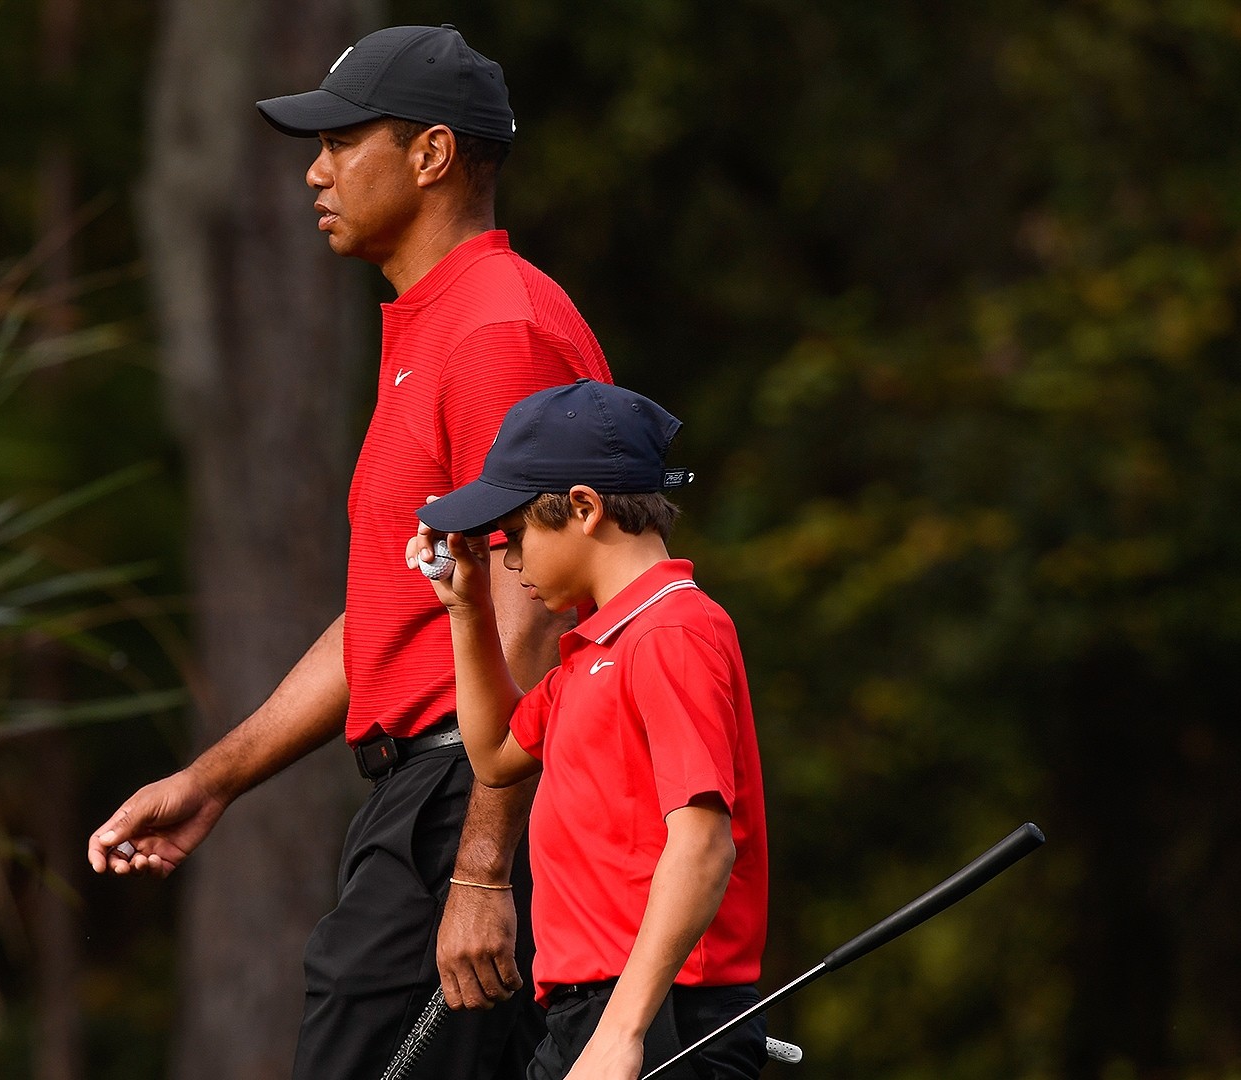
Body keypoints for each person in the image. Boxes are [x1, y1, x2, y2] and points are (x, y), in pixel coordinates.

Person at [86, 24, 613, 1080]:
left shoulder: (498, 332)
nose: (315, 170)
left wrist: (478, 875)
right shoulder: (435, 329)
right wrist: (214, 779)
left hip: (471, 799)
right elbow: (398, 614)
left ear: (431, 156)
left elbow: (537, 617)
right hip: (430, 800)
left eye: (341, 140)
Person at [412, 380, 769, 1080]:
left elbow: (702, 845)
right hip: (595, 1014)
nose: (510, 562)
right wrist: (468, 610)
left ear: (583, 507)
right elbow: (493, 755)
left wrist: (623, 1031)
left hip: (664, 1016)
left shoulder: (672, 632)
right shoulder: (598, 647)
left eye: (515, 539)